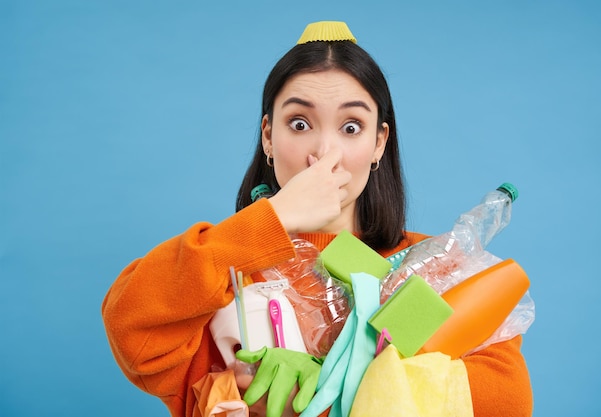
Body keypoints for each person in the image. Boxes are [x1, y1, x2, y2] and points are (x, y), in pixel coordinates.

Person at [102, 21, 533, 417]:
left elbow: (507, 401)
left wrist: (328, 384)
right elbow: (130, 325)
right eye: (300, 122)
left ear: (379, 143)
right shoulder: (226, 277)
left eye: (351, 127)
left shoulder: (439, 268)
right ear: (269, 136)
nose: (324, 153)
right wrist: (275, 218)